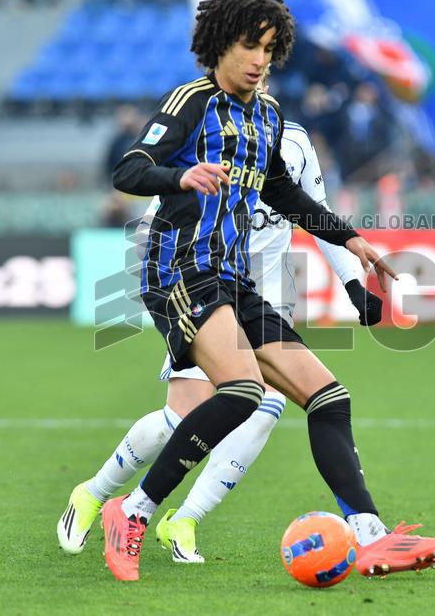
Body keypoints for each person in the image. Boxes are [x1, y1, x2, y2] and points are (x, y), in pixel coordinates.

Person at [94, 0, 435, 583]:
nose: (259, 59)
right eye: (247, 45)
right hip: (179, 268)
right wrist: (181, 178)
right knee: (239, 390)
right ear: (218, 45)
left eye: (268, 48)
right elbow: (128, 169)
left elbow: (284, 193)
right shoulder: (192, 101)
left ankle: (369, 537)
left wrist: (350, 239)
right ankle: (130, 512)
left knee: (329, 397)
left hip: (232, 278)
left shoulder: (267, 113)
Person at [59, 116, 380, 562]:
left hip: (265, 294)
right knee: (184, 416)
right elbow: (156, 216)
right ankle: (95, 493)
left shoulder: (295, 141)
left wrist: (352, 284)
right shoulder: (206, 128)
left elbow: (311, 209)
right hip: (202, 289)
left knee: (268, 406)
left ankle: (184, 520)